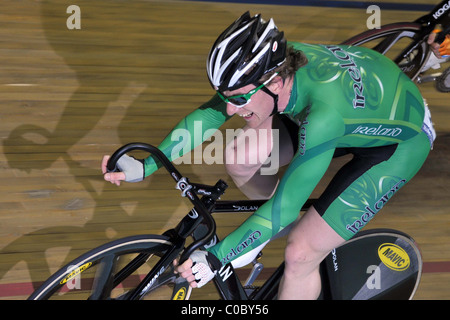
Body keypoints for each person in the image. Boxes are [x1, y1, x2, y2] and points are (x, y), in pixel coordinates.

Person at [102, 12, 435, 299]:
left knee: (301, 253)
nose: (231, 108)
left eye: (240, 98)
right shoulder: (272, 72)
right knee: (241, 158)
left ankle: (271, 238)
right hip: (355, 105)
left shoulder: (322, 117)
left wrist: (219, 256)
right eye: (226, 96)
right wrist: (148, 165)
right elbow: (210, 114)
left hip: (398, 144)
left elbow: (287, 206)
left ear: (274, 83)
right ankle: (262, 230)